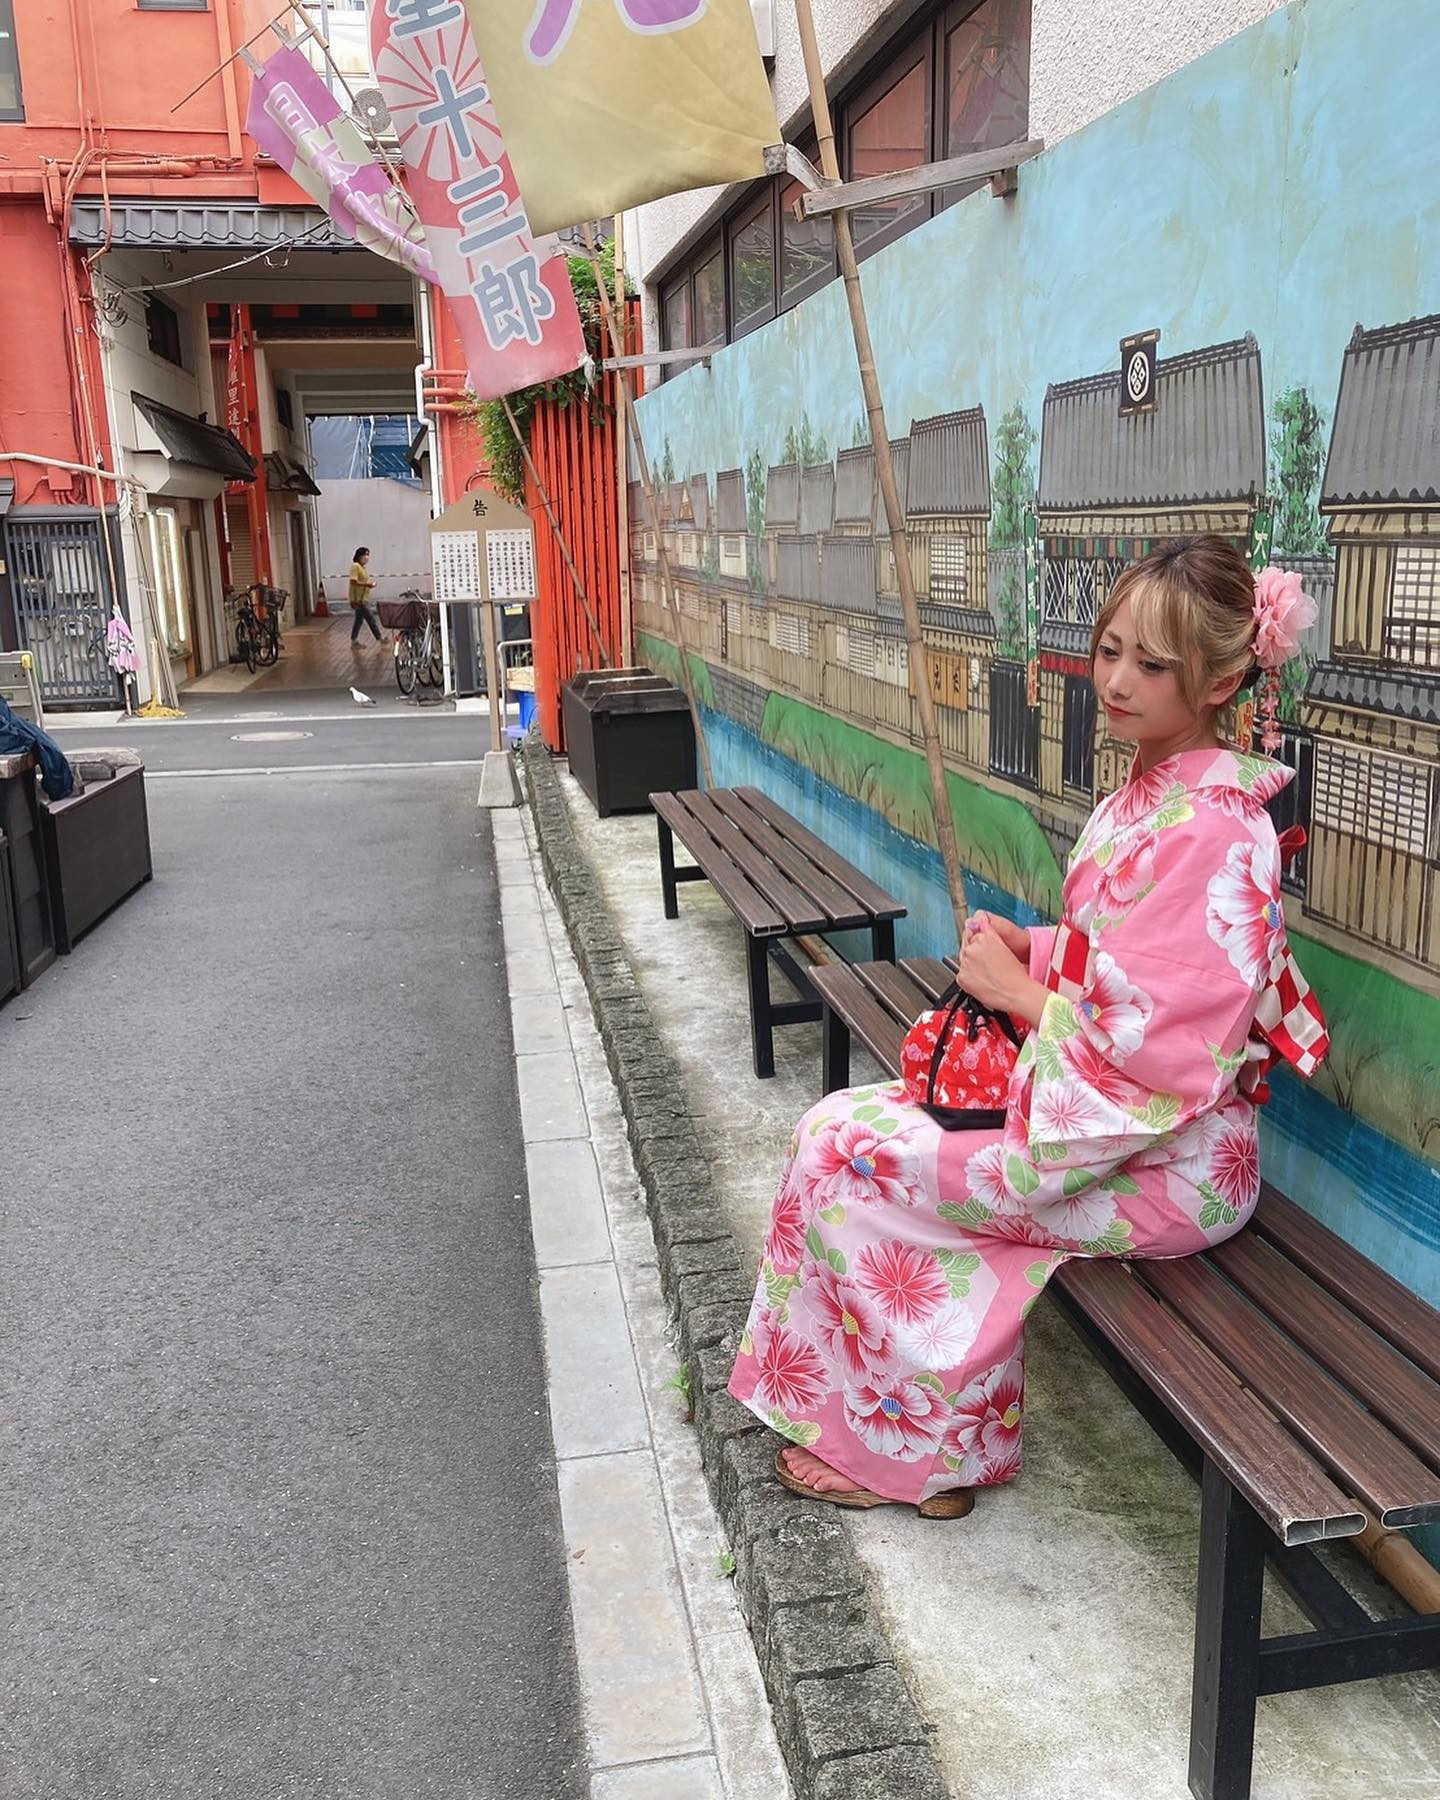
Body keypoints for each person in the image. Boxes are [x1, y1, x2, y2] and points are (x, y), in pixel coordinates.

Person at [728, 536, 1329, 1519]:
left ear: (1223, 678)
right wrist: (1038, 947)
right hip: (1112, 1128)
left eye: (1153, 664)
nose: (1119, 681)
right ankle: (905, 1424)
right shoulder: (1161, 798)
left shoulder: (1216, 829)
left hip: (1162, 1163)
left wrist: (1018, 997)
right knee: (843, 1129)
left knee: (851, 1153)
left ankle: (923, 1457)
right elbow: (1126, 963)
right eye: (1110, 651)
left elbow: (1175, 1049)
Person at [348, 545, 383, 644]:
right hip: (359, 599)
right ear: (359, 556)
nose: (366, 558)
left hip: (364, 598)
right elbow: (353, 582)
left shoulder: (363, 568)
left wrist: (369, 584)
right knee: (370, 618)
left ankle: (353, 640)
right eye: (364, 555)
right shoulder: (355, 566)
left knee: (359, 621)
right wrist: (367, 584)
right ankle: (379, 638)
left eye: (368, 555)